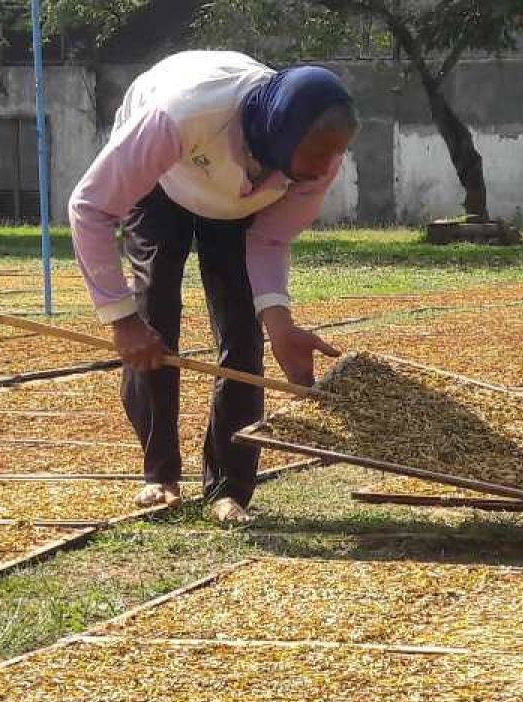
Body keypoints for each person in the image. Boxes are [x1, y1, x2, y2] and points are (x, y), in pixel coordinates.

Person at [68, 50, 355, 524]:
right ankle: (159, 474)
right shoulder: (182, 113)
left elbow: (269, 238)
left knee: (243, 333)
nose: (326, 165)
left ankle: (229, 488)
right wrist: (121, 320)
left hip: (238, 208)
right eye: (318, 151)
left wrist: (280, 324)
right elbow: (90, 206)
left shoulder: (317, 162)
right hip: (162, 180)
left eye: (335, 153)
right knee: (153, 315)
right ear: (281, 130)